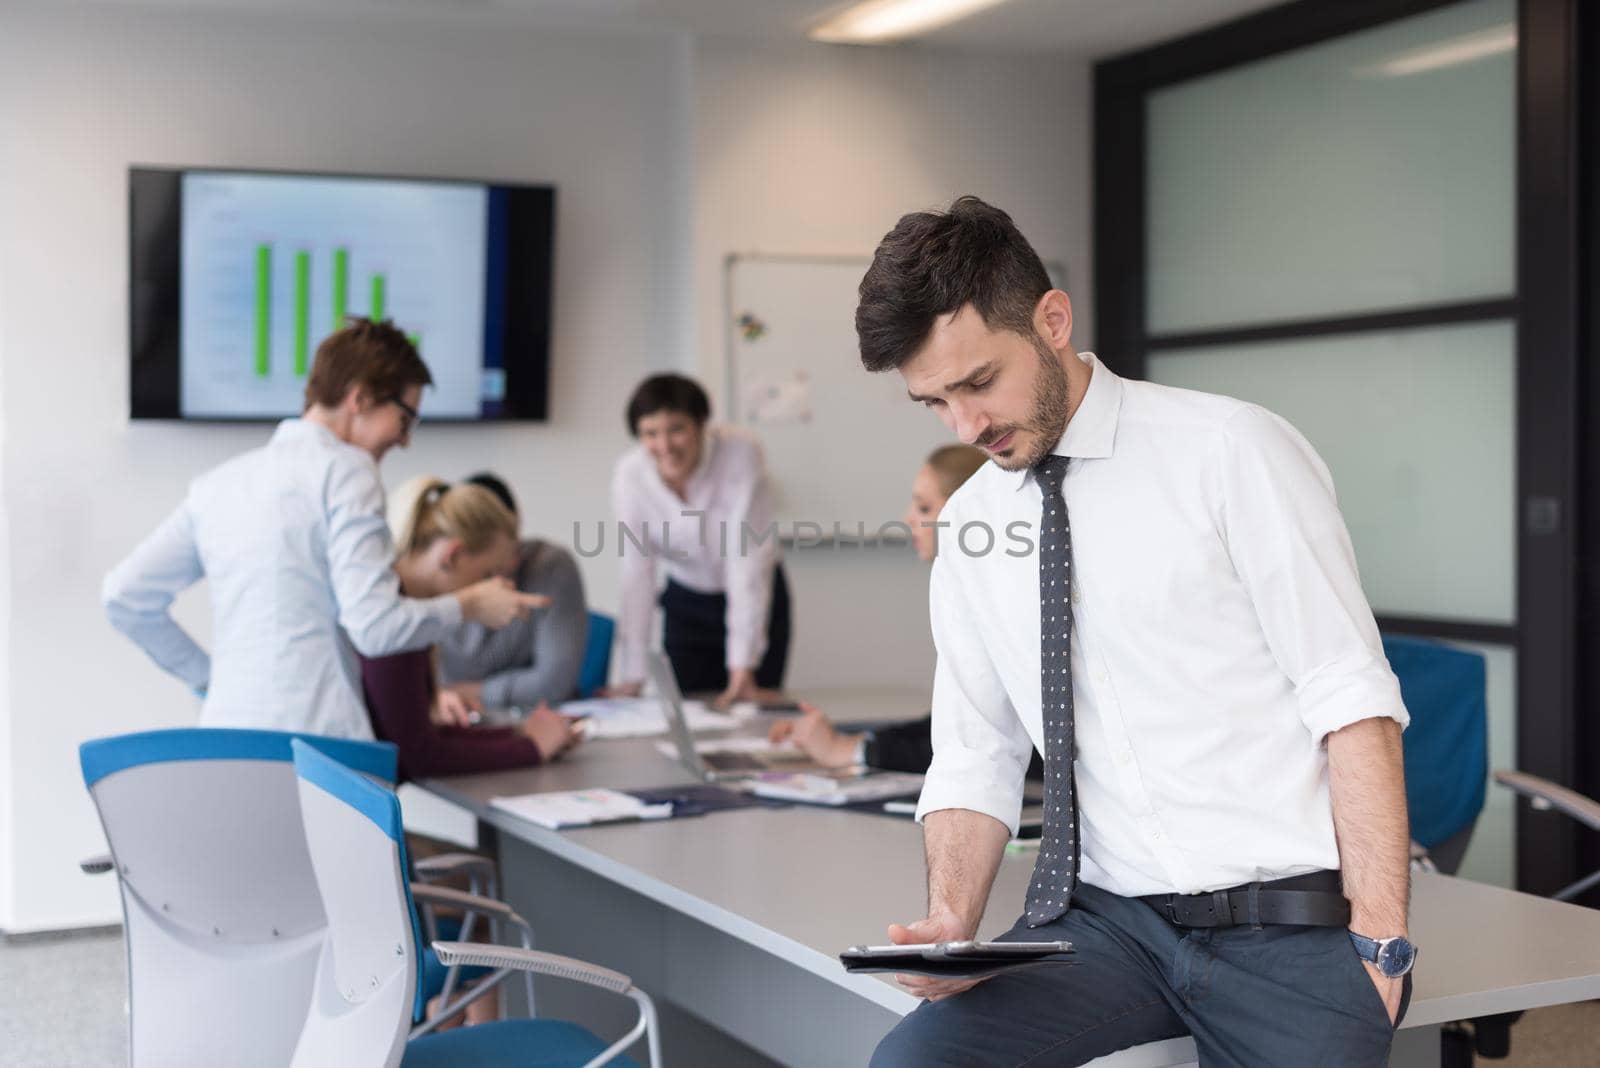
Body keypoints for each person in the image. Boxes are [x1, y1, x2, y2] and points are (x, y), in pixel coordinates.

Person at [858, 198, 1414, 1067]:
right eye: (933, 402)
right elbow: (977, 752)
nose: (966, 427)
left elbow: (1351, 696)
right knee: (916, 1063)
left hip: (1283, 922)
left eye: (977, 383)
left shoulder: (1230, 450)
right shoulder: (971, 523)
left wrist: (1383, 943)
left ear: (1051, 320)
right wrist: (950, 922)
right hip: (1106, 923)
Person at [103, 318, 544, 739]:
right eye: (406, 419)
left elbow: (124, 596)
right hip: (319, 744)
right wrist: (467, 605)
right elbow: (375, 628)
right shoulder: (347, 471)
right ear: (361, 398)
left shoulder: (218, 486)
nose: (405, 440)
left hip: (225, 740)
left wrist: (211, 681)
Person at [768, 444, 1037, 781]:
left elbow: (992, 737)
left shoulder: (1010, 601)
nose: (908, 518)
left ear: (972, 511)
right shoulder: (968, 588)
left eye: (924, 507)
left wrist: (849, 751)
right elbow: (953, 719)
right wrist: (854, 742)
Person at [361, 477, 582, 780]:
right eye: (488, 573)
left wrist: (517, 734)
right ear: (452, 556)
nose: (496, 587)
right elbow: (418, 757)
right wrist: (530, 748)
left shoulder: (409, 607)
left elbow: (424, 737)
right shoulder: (396, 616)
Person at [607, 373, 790, 709]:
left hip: (757, 595)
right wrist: (632, 675)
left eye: (676, 429)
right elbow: (637, 574)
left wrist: (742, 667)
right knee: (687, 711)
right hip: (686, 601)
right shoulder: (630, 476)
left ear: (701, 424)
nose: (664, 447)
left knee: (749, 712)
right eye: (650, 433)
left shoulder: (740, 453)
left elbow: (745, 562)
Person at [433, 472, 590, 714]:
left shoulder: (550, 566)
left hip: (533, 717)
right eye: (489, 569)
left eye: (513, 544)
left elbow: (554, 683)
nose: (509, 565)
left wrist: (467, 691)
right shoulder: (430, 585)